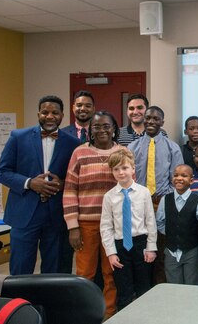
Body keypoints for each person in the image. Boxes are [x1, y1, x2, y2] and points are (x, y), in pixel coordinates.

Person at [0, 95, 80, 275]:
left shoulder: (73, 143)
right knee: (20, 268)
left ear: (62, 115)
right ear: (38, 114)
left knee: (55, 270)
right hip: (24, 213)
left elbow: (78, 178)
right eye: (45, 112)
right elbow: (2, 172)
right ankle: (20, 303)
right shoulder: (18, 137)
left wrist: (62, 184)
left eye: (55, 113)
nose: (49, 116)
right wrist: (30, 183)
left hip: (56, 215)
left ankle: (48, 303)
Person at [63, 111, 124, 318]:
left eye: (106, 126)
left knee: (111, 272)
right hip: (86, 224)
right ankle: (84, 313)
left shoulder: (123, 153)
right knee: (84, 273)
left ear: (114, 128)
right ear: (90, 130)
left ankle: (109, 313)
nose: (102, 130)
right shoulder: (79, 153)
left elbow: (130, 189)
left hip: (114, 225)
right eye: (96, 126)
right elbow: (70, 190)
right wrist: (73, 227)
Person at [128, 105, 183, 284]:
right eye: (148, 118)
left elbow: (178, 180)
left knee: (160, 249)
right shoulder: (131, 147)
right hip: (138, 204)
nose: (151, 121)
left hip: (162, 203)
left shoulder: (172, 148)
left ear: (162, 122)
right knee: (141, 248)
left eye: (156, 119)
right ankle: (141, 288)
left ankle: (159, 288)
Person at [100, 149, 157, 310]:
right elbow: (106, 226)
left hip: (141, 245)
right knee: (123, 290)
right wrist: (111, 253)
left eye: (124, 168)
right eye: (116, 169)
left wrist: (151, 247)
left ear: (133, 169)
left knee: (143, 288)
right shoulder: (109, 196)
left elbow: (150, 222)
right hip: (120, 247)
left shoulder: (143, 192)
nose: (120, 172)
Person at [59, 90, 96, 274]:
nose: (83, 109)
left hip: (93, 204)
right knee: (65, 253)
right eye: (79, 105)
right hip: (67, 199)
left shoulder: (101, 133)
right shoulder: (62, 134)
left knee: (93, 259)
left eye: (88, 105)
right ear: (73, 107)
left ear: (93, 109)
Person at [156, 164, 198, 285]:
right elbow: (160, 222)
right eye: (176, 175)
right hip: (171, 252)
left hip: (191, 252)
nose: (179, 178)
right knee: (173, 286)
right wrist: (172, 233)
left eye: (184, 175)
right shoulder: (165, 199)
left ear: (191, 180)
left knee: (192, 285)